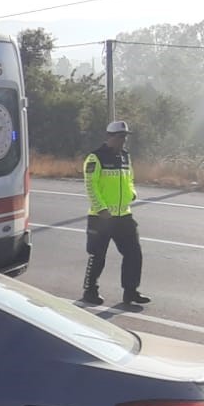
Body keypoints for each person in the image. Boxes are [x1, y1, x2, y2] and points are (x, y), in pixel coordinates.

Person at [80, 121, 149, 306]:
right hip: (101, 217)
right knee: (97, 256)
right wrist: (101, 209)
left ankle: (131, 291)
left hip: (123, 215)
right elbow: (90, 186)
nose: (123, 141)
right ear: (109, 137)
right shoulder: (95, 158)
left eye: (125, 137)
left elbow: (130, 179)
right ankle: (90, 291)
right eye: (120, 137)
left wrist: (132, 194)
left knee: (134, 253)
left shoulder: (125, 157)